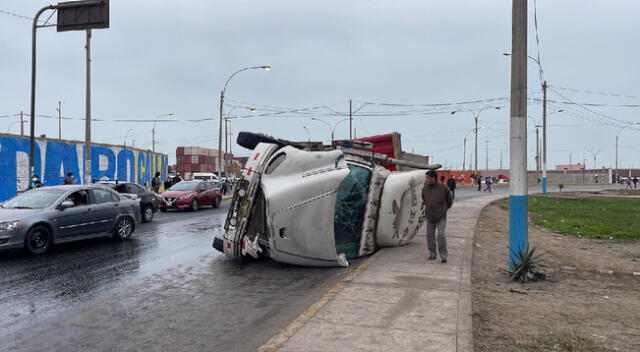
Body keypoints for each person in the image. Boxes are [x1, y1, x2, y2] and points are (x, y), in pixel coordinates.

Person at [422, 170, 453, 263]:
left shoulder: (443, 187)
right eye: (426, 178)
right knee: (430, 236)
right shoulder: (425, 188)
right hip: (430, 216)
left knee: (441, 234)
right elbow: (424, 199)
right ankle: (432, 253)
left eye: (428, 178)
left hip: (441, 217)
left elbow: (449, 201)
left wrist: (444, 210)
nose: (427, 179)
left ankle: (443, 255)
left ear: (434, 177)